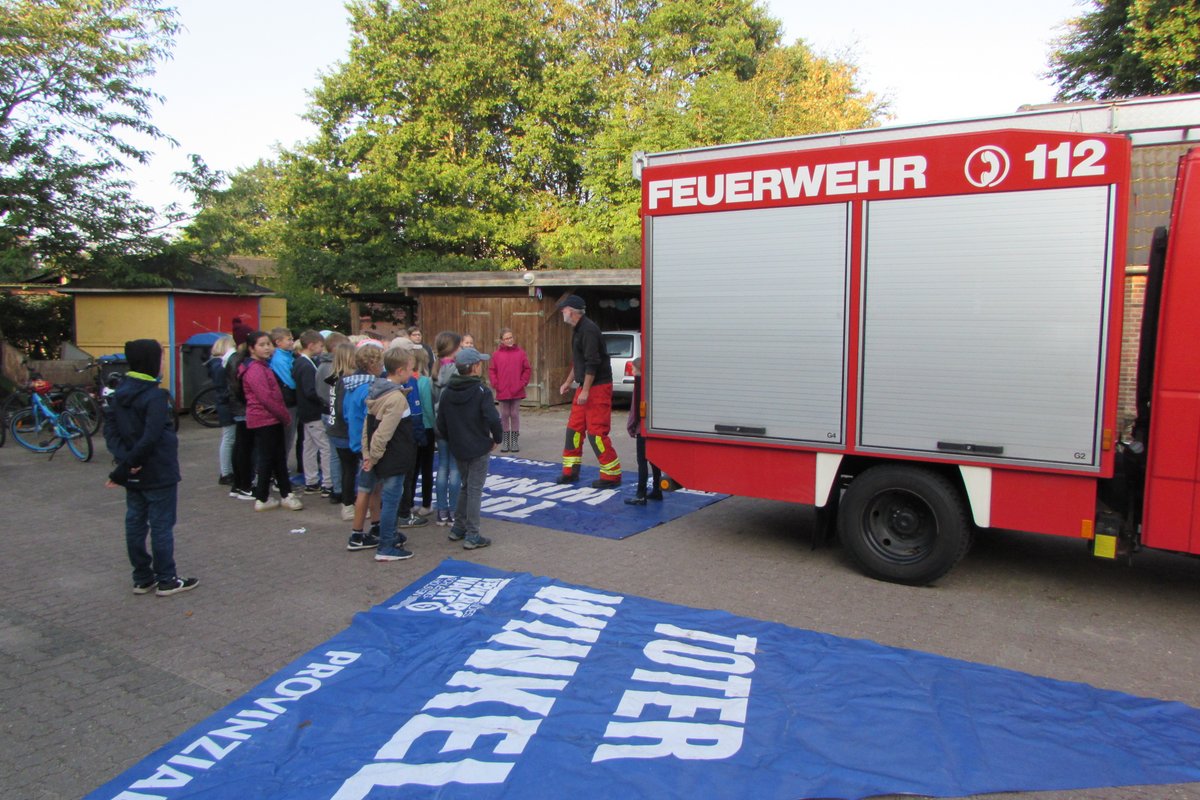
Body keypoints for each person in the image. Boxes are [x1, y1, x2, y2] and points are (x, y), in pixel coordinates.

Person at [103, 339, 198, 596]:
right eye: (162, 358)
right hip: (157, 470)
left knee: (135, 522)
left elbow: (111, 433)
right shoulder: (155, 396)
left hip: (133, 470)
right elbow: (151, 435)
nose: (164, 363)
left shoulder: (118, 393)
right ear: (152, 361)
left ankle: (142, 578)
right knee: (160, 525)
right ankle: (166, 578)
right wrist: (131, 463)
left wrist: (126, 463)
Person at [436, 347, 503, 550]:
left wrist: (451, 439)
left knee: (466, 486)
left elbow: (441, 423)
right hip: (478, 447)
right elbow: (493, 418)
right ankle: (473, 534)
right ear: (474, 367)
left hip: (458, 447)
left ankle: (458, 526)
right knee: (474, 490)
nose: (481, 366)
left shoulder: (448, 391)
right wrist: (497, 438)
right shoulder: (481, 391)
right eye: (479, 363)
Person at [556, 295, 621, 488]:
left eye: (563, 309)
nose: (562, 312)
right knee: (574, 430)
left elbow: (592, 362)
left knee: (596, 433)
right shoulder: (577, 329)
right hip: (585, 386)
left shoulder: (589, 330)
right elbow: (579, 362)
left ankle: (611, 475)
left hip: (598, 387)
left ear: (571, 311)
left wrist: (585, 391)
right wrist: (568, 382)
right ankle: (570, 472)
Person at [362, 348, 419, 561]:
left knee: (390, 499)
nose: (413, 373)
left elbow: (367, 427)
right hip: (393, 457)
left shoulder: (377, 390)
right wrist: (372, 457)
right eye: (411, 369)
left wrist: (368, 453)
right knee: (391, 501)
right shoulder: (395, 398)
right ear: (401, 370)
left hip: (387, 456)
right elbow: (382, 432)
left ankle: (390, 535)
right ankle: (386, 545)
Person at [240, 331, 303, 512]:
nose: (267, 348)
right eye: (262, 345)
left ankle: (284, 493)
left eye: (268, 344)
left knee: (277, 457)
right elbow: (266, 398)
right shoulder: (255, 369)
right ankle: (263, 497)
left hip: (269, 418)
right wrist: (284, 415)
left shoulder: (262, 366)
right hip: (265, 419)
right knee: (268, 458)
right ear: (252, 348)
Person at [344, 342, 386, 550]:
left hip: (358, 441)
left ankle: (376, 525)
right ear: (372, 364)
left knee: (374, 487)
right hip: (367, 445)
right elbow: (375, 418)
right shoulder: (369, 389)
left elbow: (346, 414)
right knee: (365, 489)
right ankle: (357, 534)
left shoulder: (351, 387)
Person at [294, 330, 332, 496]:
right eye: (320, 346)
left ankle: (311, 480)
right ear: (311, 345)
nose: (322, 349)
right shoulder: (306, 365)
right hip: (313, 411)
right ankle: (327, 483)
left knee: (309, 446)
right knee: (324, 447)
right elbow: (310, 391)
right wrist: (323, 399)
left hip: (306, 411)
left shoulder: (301, 362)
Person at [431, 331, 463, 526]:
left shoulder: (434, 370)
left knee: (443, 466)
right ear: (453, 349)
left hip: (439, 424)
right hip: (454, 425)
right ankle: (453, 510)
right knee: (455, 467)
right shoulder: (457, 371)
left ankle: (442, 511)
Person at [623, 358, 663, 505]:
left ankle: (641, 494)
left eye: (633, 369)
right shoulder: (652, 382)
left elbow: (635, 408)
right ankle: (657, 490)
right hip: (654, 428)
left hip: (643, 429)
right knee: (654, 460)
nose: (632, 372)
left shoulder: (639, 384)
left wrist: (631, 426)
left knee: (642, 461)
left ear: (639, 370)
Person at [317, 332, 350, 504]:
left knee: (334, 454)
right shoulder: (335, 372)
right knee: (341, 456)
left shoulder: (322, 365)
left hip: (328, 412)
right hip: (334, 415)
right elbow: (336, 398)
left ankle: (336, 488)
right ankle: (341, 490)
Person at [488, 327, 531, 453]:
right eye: (506, 338)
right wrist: (496, 384)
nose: (509, 340)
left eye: (510, 337)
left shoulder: (520, 353)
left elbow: (527, 369)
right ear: (501, 340)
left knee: (514, 414)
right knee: (504, 414)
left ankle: (514, 440)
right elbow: (492, 370)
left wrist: (522, 382)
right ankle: (505, 440)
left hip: (517, 389)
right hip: (502, 390)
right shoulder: (496, 355)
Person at [206, 335, 236, 485]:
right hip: (226, 405)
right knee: (229, 438)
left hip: (225, 404)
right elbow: (223, 388)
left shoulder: (216, 364)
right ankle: (226, 472)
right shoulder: (220, 366)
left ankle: (227, 470)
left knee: (230, 438)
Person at [268, 327, 298, 473]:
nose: (292, 342)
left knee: (288, 436)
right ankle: (279, 469)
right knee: (287, 437)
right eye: (289, 339)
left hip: (290, 401)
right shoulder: (279, 359)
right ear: (278, 342)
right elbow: (291, 382)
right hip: (287, 402)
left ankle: (280, 467)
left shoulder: (287, 355)